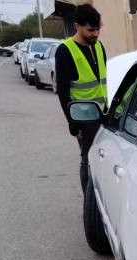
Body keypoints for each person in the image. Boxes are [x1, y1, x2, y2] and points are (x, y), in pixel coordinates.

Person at [55, 4, 107, 192]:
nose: (96, 34)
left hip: (103, 113)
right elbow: (63, 91)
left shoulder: (98, 46)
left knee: (105, 158)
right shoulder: (65, 50)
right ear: (77, 26)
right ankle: (89, 202)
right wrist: (73, 123)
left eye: (98, 29)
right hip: (83, 117)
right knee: (88, 158)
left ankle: (102, 197)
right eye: (91, 30)